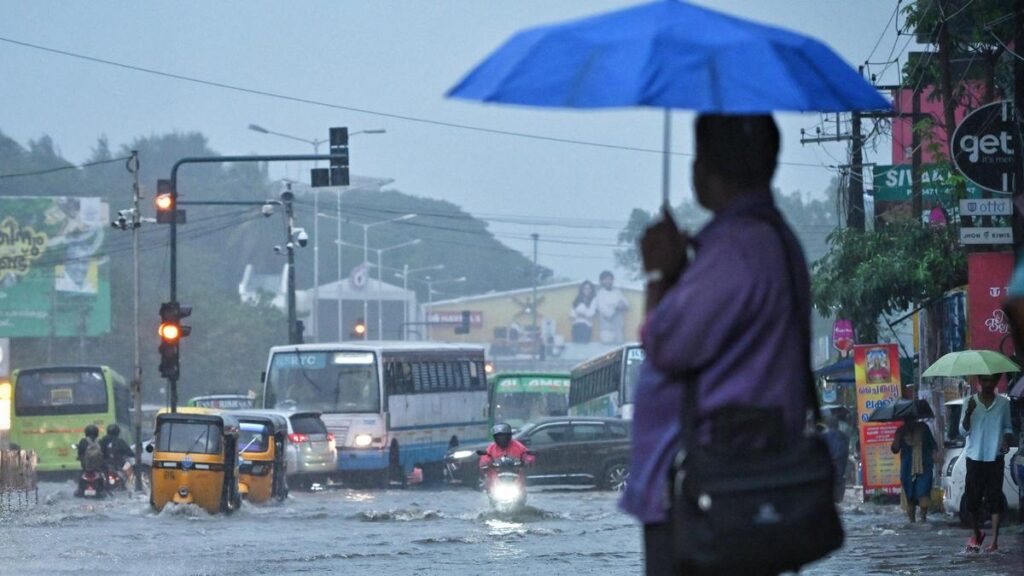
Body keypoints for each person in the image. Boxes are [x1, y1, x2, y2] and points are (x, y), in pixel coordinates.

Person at [621, 115, 810, 576]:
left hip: (708, 487)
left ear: (705, 168)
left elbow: (667, 344)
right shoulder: (769, 241)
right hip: (735, 479)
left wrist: (661, 274)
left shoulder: (736, 248)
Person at [959, 373, 1013, 552]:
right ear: (979, 381)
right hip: (974, 457)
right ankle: (977, 533)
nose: (988, 384)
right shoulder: (969, 402)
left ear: (996, 382)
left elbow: (1008, 428)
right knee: (972, 500)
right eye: (985, 380)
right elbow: (963, 431)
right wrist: (969, 412)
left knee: (995, 498)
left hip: (995, 457)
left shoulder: (1004, 403)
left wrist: (1006, 440)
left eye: (991, 380)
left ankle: (994, 541)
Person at [890, 415, 936, 523]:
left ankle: (923, 519)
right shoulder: (900, 431)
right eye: (906, 419)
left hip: (924, 466)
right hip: (907, 469)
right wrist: (898, 437)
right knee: (908, 493)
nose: (908, 421)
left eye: (911, 418)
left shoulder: (924, 428)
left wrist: (935, 457)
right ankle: (912, 522)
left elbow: (933, 445)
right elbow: (895, 449)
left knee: (923, 491)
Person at [594, 271, 628, 344]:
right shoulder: (599, 294)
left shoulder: (617, 292)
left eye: (610, 279)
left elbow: (626, 304)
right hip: (606, 329)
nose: (608, 281)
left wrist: (619, 306)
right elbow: (607, 313)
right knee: (607, 349)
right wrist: (616, 307)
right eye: (605, 279)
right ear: (601, 281)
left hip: (619, 328)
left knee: (620, 348)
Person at [823, 413, 850, 504]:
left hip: (829, 460)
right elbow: (846, 449)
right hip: (840, 460)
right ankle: (839, 498)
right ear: (837, 424)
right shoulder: (843, 435)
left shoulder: (824, 435)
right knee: (839, 478)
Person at [75, 424, 104, 496]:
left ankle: (79, 489)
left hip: (86, 468)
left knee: (80, 476)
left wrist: (80, 458)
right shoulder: (100, 441)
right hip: (98, 468)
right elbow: (105, 453)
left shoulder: (83, 441)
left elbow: (80, 453)